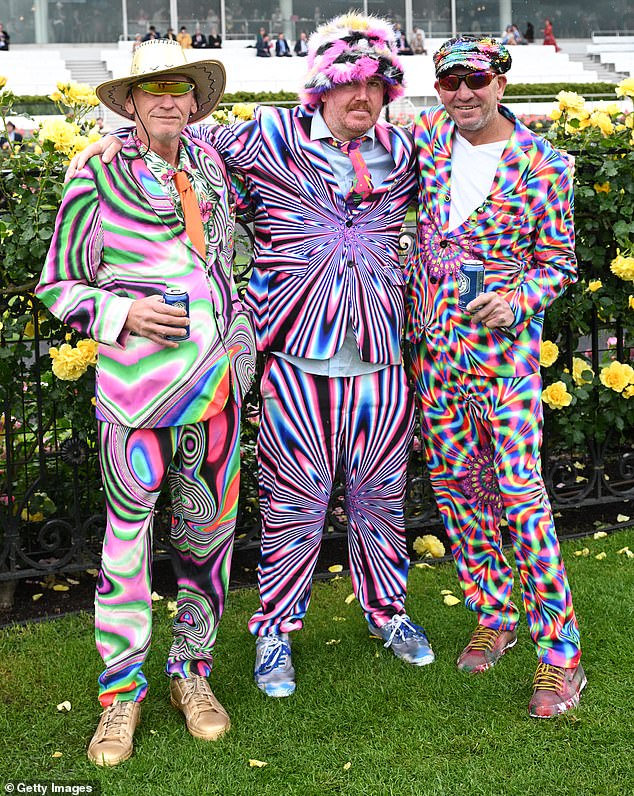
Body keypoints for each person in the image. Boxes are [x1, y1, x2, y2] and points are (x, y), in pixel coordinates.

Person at [68, 12, 434, 701]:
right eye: (349, 85)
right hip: (295, 354)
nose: (362, 98)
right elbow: (177, 139)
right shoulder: (267, 135)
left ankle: (389, 611)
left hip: (382, 358)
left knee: (381, 499)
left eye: (377, 86)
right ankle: (274, 629)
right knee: (291, 505)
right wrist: (124, 136)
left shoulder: (406, 152)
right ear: (320, 89)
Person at [37, 39, 255, 765]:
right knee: (126, 553)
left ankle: (191, 676)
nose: (167, 99)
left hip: (216, 394)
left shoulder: (211, 164)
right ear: (130, 101)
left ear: (195, 101)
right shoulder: (94, 169)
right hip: (135, 399)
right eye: (151, 87)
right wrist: (120, 315)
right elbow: (59, 283)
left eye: (180, 87)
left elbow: (232, 259)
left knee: (206, 546)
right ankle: (119, 697)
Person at [406, 34, 585, 719]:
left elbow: (558, 264)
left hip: (504, 362)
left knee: (520, 496)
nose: (463, 94)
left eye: (475, 80)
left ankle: (560, 654)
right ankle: (494, 613)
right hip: (437, 359)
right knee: (459, 490)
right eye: (449, 82)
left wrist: (516, 301)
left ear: (501, 82)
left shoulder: (547, 165)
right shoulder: (424, 139)